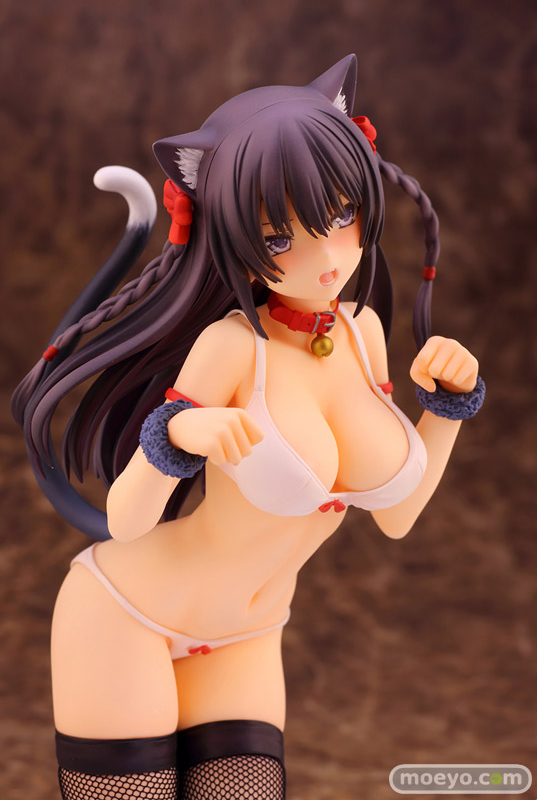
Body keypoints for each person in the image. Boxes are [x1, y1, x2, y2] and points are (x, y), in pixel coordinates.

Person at [12, 55, 483, 800]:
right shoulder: (233, 347)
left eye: (341, 215)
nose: (326, 259)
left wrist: (447, 406)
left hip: (249, 636)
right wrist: (175, 439)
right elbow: (126, 523)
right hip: (126, 615)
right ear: (233, 238)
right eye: (279, 238)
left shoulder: (362, 333)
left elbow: (396, 517)